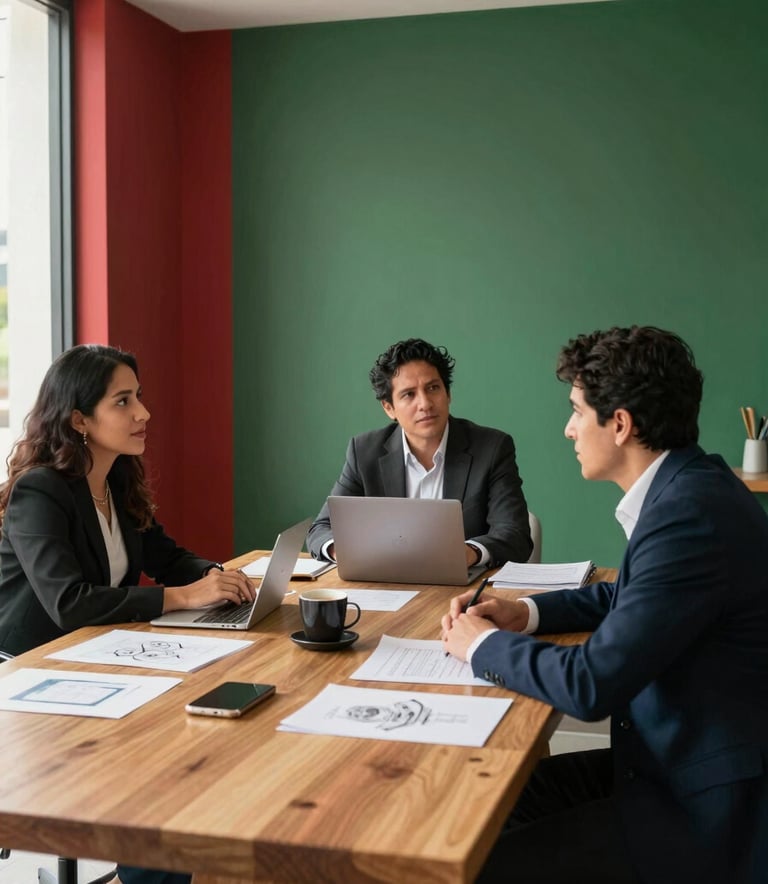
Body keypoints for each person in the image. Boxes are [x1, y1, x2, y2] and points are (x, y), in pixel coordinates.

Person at [441, 326, 768, 884]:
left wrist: (483, 646)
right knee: (492, 808)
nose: (568, 429)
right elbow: (632, 596)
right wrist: (528, 614)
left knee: (479, 860)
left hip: (707, 806)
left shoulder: (687, 515)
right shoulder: (691, 484)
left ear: (620, 424)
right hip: (671, 762)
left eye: (576, 410)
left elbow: (591, 685)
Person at [0, 344, 255, 884]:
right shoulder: (40, 490)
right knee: (165, 772)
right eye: (123, 401)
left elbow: (166, 557)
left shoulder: (115, 480)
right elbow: (69, 603)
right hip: (38, 676)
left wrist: (218, 576)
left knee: (198, 747)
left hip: (102, 660)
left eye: (138, 397)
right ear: (79, 419)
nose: (143, 413)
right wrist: (186, 597)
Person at [307, 337, 532, 568]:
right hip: (387, 586)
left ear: (448, 393)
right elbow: (321, 528)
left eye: (433, 388)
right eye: (409, 394)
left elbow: (515, 536)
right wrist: (340, 550)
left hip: (463, 591)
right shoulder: (364, 452)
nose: (425, 403)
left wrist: (469, 552)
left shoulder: (492, 448)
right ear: (389, 408)